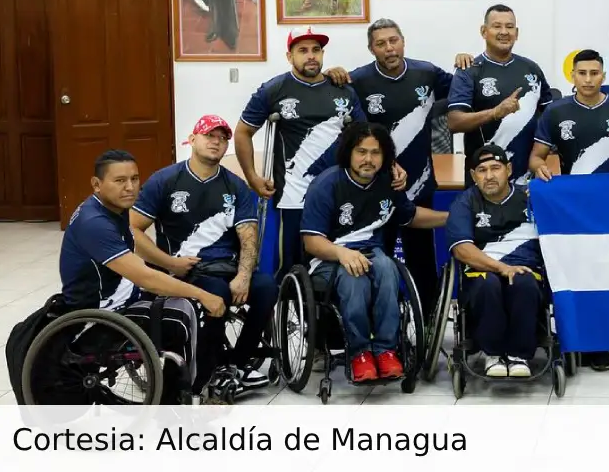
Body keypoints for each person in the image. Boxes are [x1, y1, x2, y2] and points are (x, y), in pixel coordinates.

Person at [322, 19, 472, 319]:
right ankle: (382, 329)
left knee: (422, 261)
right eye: (381, 43)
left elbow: (463, 90)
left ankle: (426, 325)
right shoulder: (360, 80)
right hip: (375, 187)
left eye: (394, 41)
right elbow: (332, 97)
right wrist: (330, 74)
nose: (389, 48)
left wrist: (465, 64)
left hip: (419, 184)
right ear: (371, 49)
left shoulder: (426, 73)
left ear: (403, 41)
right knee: (380, 261)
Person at [235, 28, 402, 279]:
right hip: (293, 196)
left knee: (333, 264)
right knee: (292, 267)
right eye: (302, 50)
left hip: (337, 195)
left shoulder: (342, 89)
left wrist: (392, 164)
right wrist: (252, 177)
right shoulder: (273, 90)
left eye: (316, 50)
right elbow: (242, 133)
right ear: (289, 56)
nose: (311, 56)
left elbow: (368, 137)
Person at [129, 115, 277, 394]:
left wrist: (244, 276)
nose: (217, 142)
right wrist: (168, 262)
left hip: (227, 266)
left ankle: (238, 362)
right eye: (210, 136)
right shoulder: (165, 180)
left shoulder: (235, 186)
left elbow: (248, 237)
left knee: (268, 287)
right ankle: (210, 370)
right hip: (185, 270)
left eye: (223, 139)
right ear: (193, 139)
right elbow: (133, 230)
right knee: (216, 293)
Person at [60, 151, 226, 392]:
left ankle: (199, 379)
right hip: (101, 314)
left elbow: (135, 253)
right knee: (183, 317)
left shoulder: (113, 208)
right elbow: (145, 277)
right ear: (97, 185)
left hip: (121, 296)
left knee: (185, 300)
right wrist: (203, 295)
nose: (130, 187)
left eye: (135, 179)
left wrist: (171, 264)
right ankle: (179, 399)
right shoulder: (94, 223)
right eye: (120, 181)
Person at [531, 49, 609, 371]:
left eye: (594, 73)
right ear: (572, 76)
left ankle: (604, 341)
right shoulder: (556, 112)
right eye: (581, 73)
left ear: (603, 76)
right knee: (578, 271)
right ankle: (579, 338)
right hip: (575, 209)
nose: (588, 79)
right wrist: (541, 168)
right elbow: (536, 156)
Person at [300, 122, 448, 382]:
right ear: (348, 153)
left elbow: (410, 216)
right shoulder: (326, 184)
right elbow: (312, 242)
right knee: (354, 278)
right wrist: (342, 254)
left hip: (372, 253)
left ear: (386, 157)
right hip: (328, 258)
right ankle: (359, 354)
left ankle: (386, 350)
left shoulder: (387, 184)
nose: (368, 159)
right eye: (361, 151)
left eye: (375, 153)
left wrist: (451, 217)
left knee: (387, 268)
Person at [445, 145, 545, 378]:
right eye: (481, 170)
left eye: (495, 168)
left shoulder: (531, 196)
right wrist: (501, 268)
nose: (489, 176)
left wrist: (545, 194)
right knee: (488, 284)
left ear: (508, 170)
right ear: (473, 176)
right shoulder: (465, 202)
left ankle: (519, 355)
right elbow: (461, 249)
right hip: (480, 270)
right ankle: (493, 354)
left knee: (524, 283)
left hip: (526, 268)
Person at [448, 4, 553, 187]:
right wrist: (495, 112)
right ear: (484, 31)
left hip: (527, 181)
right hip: (485, 181)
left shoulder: (532, 69)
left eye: (510, 27)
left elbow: (550, 116)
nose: (504, 32)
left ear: (517, 33)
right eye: (497, 26)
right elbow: (454, 122)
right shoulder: (469, 71)